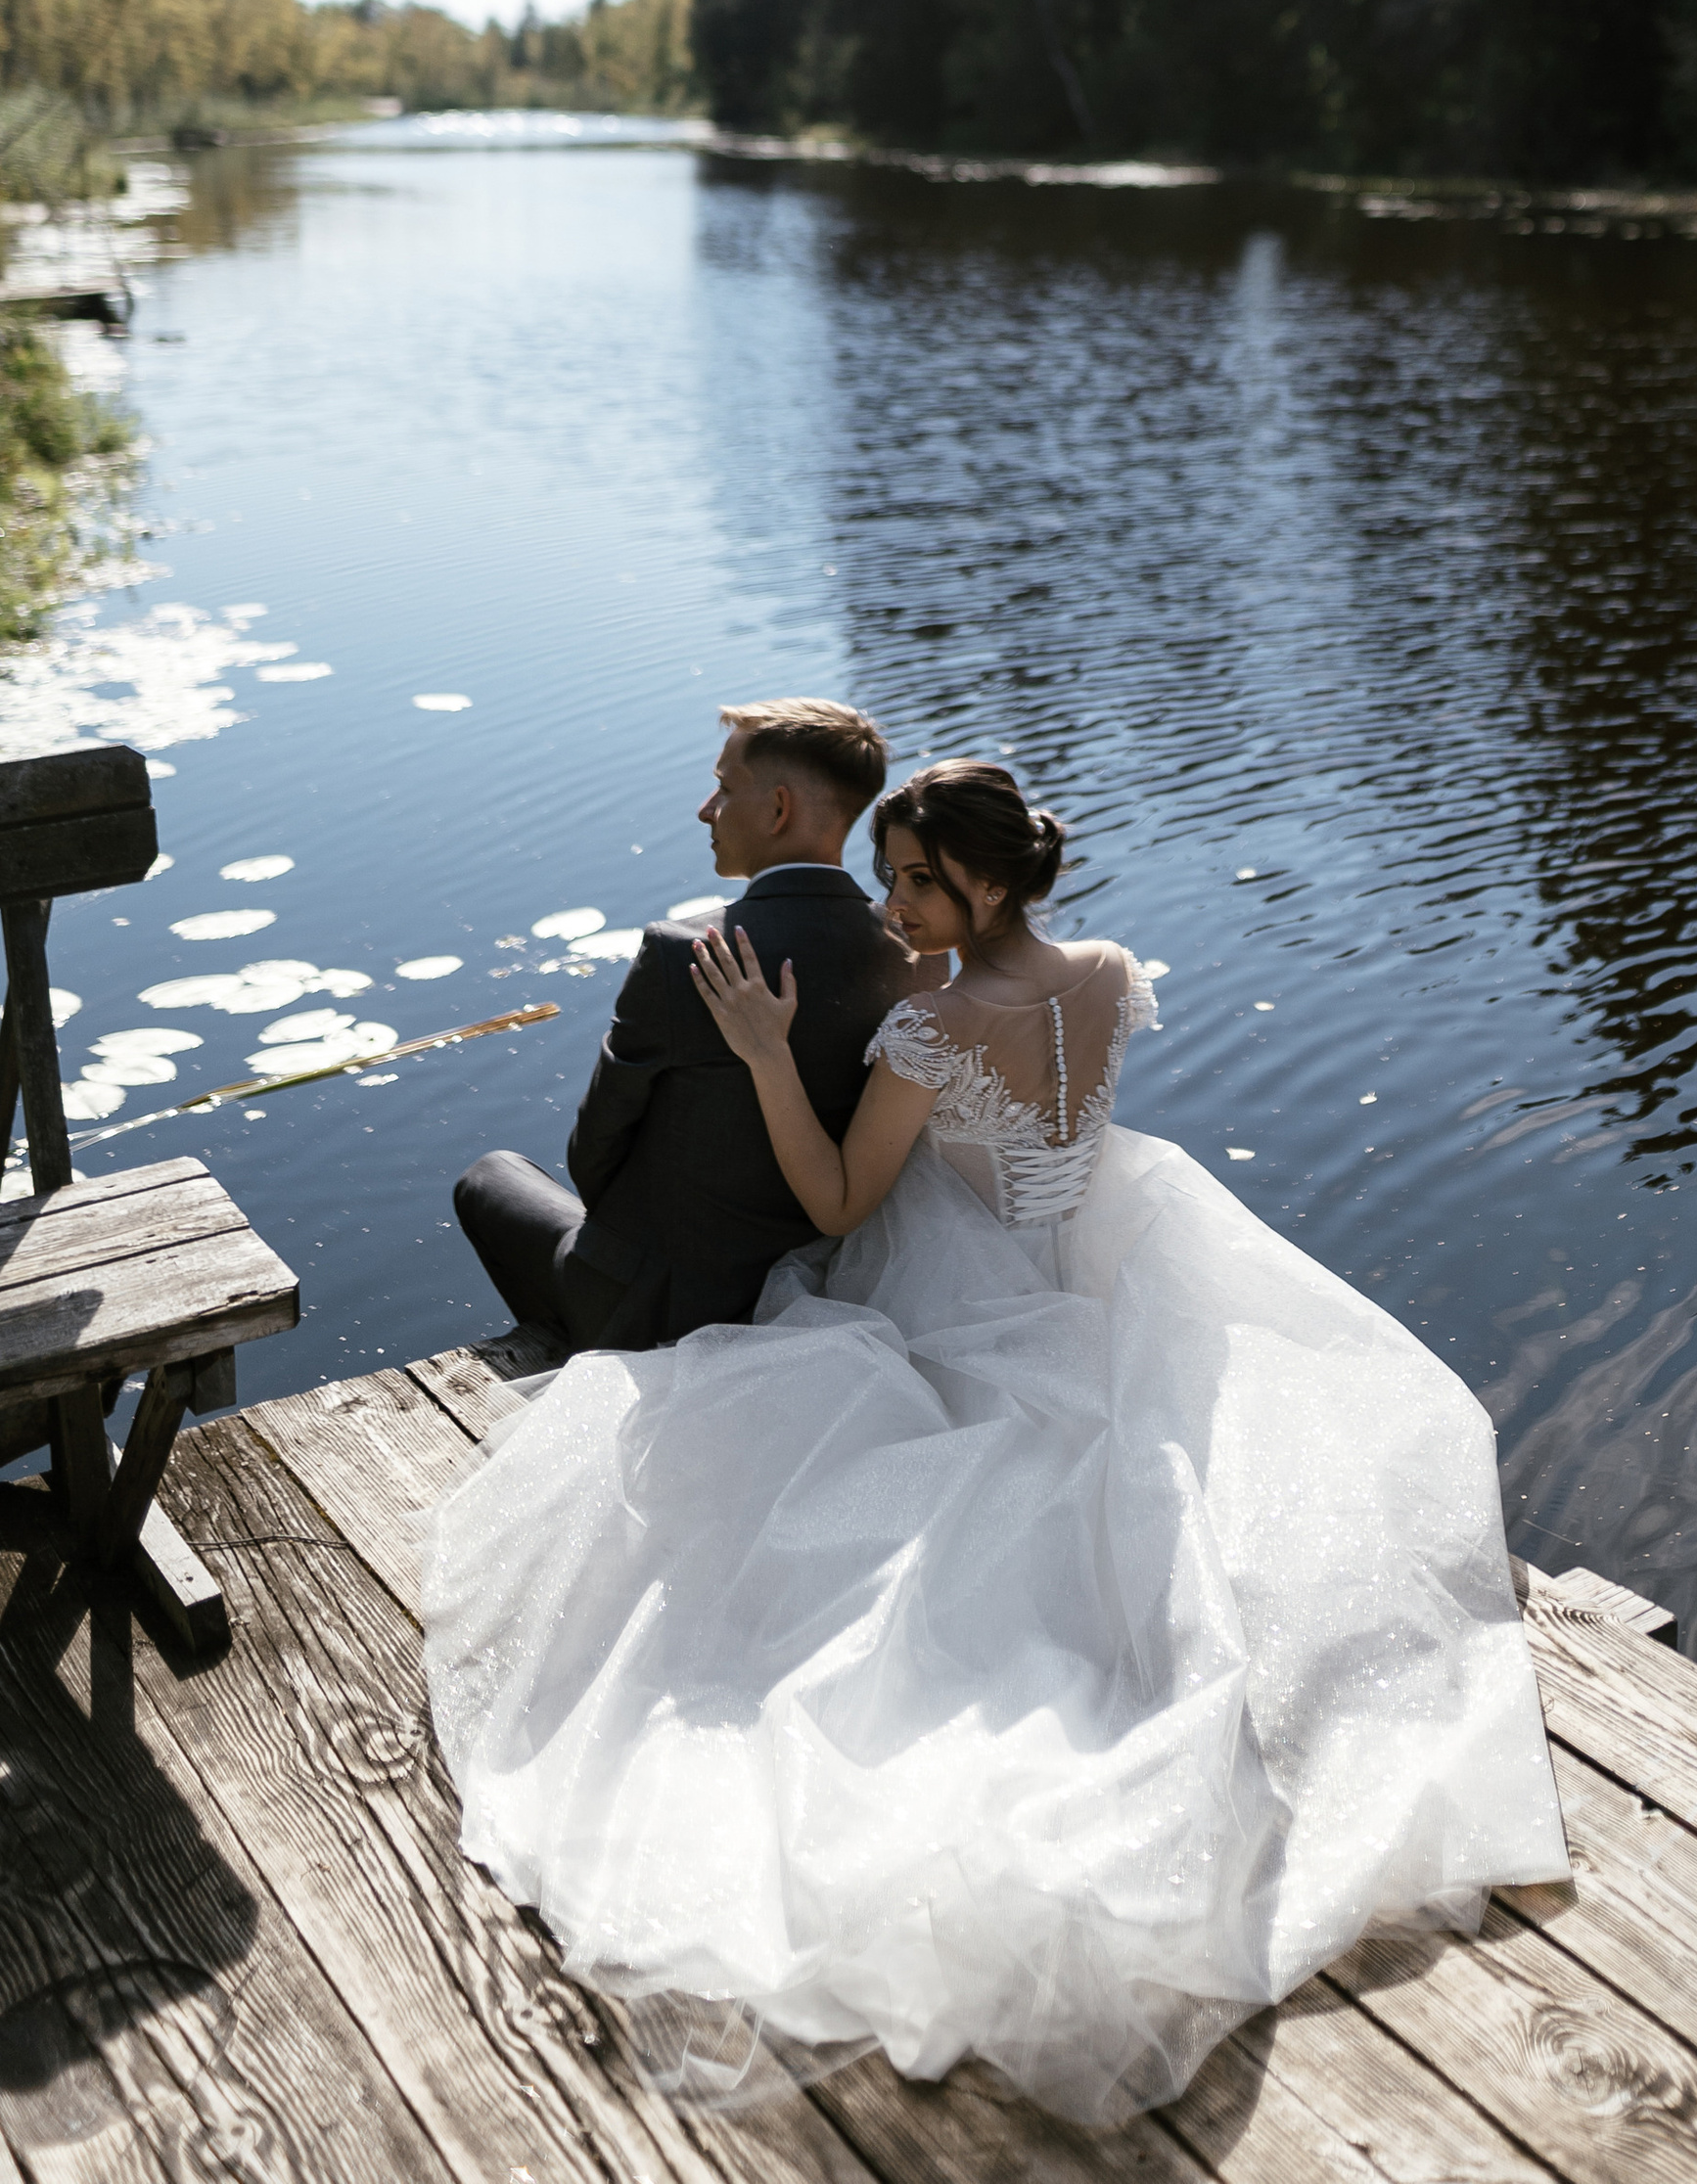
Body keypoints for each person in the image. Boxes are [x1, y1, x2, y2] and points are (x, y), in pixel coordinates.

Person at [425, 757, 1568, 2127]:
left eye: (916, 879)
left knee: (822, 1508)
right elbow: (1043, 1108)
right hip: (1095, 1272)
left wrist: (773, 1056)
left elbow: (843, 1205)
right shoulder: (1100, 972)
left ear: (987, 876)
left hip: (963, 1297)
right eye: (890, 876)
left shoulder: (929, 1031)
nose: (893, 904)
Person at [450, 698, 906, 1353]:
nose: (705, 809)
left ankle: (578, 1345)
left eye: (724, 787)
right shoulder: (912, 955)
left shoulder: (687, 953)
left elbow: (592, 1158)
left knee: (491, 1178)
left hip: (663, 1311)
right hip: (812, 1299)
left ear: (779, 809)